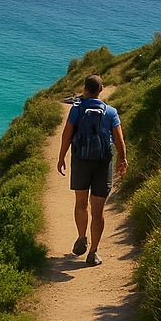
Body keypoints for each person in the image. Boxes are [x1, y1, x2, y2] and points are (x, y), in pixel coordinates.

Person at [57, 73, 128, 267]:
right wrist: (123, 159)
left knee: (81, 203)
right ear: (102, 89)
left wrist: (62, 157)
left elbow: (66, 135)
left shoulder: (76, 110)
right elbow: (119, 140)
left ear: (85, 89)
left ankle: (81, 238)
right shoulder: (111, 112)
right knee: (98, 210)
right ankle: (93, 252)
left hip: (80, 160)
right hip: (103, 163)